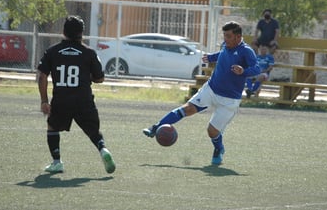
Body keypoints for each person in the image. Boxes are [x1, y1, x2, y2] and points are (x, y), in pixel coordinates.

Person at [142, 21, 261, 165]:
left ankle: (219, 148)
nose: (225, 39)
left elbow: (257, 68)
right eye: (224, 36)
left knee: (212, 131)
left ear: (237, 37)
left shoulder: (246, 51)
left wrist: (244, 71)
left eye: (228, 36)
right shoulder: (226, 45)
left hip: (229, 100)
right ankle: (155, 128)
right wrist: (211, 57)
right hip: (211, 89)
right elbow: (223, 54)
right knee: (187, 108)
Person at [37, 15, 116, 173]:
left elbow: (42, 76)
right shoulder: (89, 53)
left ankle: (57, 161)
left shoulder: (52, 52)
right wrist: (87, 76)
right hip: (84, 100)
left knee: (52, 127)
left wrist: (44, 100)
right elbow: (100, 78)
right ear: (82, 33)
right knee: (93, 131)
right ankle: (102, 149)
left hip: (61, 100)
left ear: (64, 31)